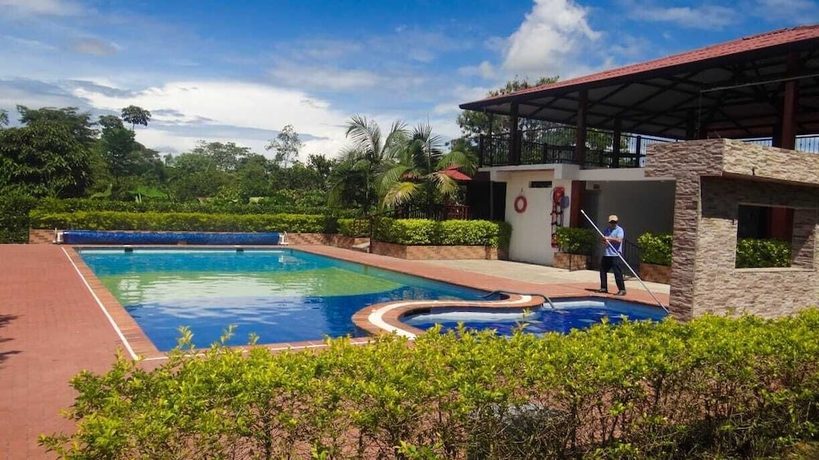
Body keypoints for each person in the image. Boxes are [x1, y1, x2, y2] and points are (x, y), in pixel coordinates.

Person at [598, 214, 626, 296]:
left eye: (615, 222)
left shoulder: (619, 230)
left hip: (615, 255)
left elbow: (619, 240)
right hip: (607, 254)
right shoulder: (607, 230)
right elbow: (604, 241)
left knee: (617, 272)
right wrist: (604, 241)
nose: (613, 223)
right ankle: (604, 288)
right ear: (609, 222)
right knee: (602, 270)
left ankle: (622, 289)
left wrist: (609, 238)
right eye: (612, 222)